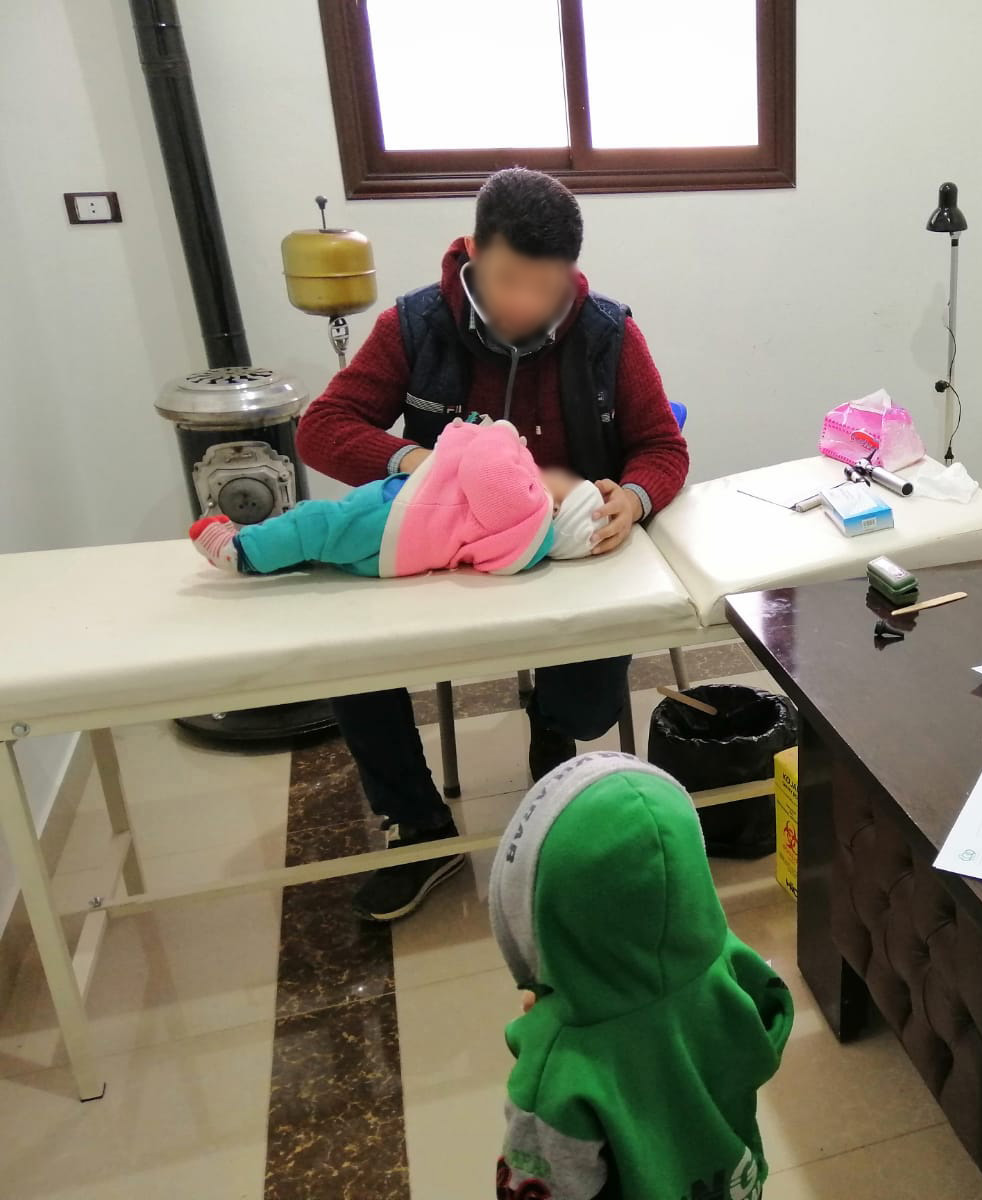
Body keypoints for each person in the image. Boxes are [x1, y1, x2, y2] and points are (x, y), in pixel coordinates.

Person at [297, 168, 689, 921]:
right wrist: (420, 461)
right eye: (509, 280)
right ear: (474, 254)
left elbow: (661, 447)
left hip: (568, 556)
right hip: (441, 549)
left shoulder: (606, 331)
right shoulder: (416, 324)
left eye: (546, 286)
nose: (525, 305)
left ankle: (553, 732)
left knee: (585, 705)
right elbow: (323, 428)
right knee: (349, 655)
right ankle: (420, 827)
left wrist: (634, 497)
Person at [489, 752, 793, 1199]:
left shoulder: (558, 1073)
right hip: (734, 1181)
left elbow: (549, 1180)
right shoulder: (729, 964)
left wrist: (550, 1027)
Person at [190, 419, 601, 575]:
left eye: (569, 483)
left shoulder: (528, 508)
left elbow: (484, 467)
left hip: (397, 521)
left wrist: (503, 432)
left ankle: (242, 552)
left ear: (560, 509)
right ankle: (273, 550)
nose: (558, 473)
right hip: (399, 547)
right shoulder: (522, 542)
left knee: (317, 523)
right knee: (325, 538)